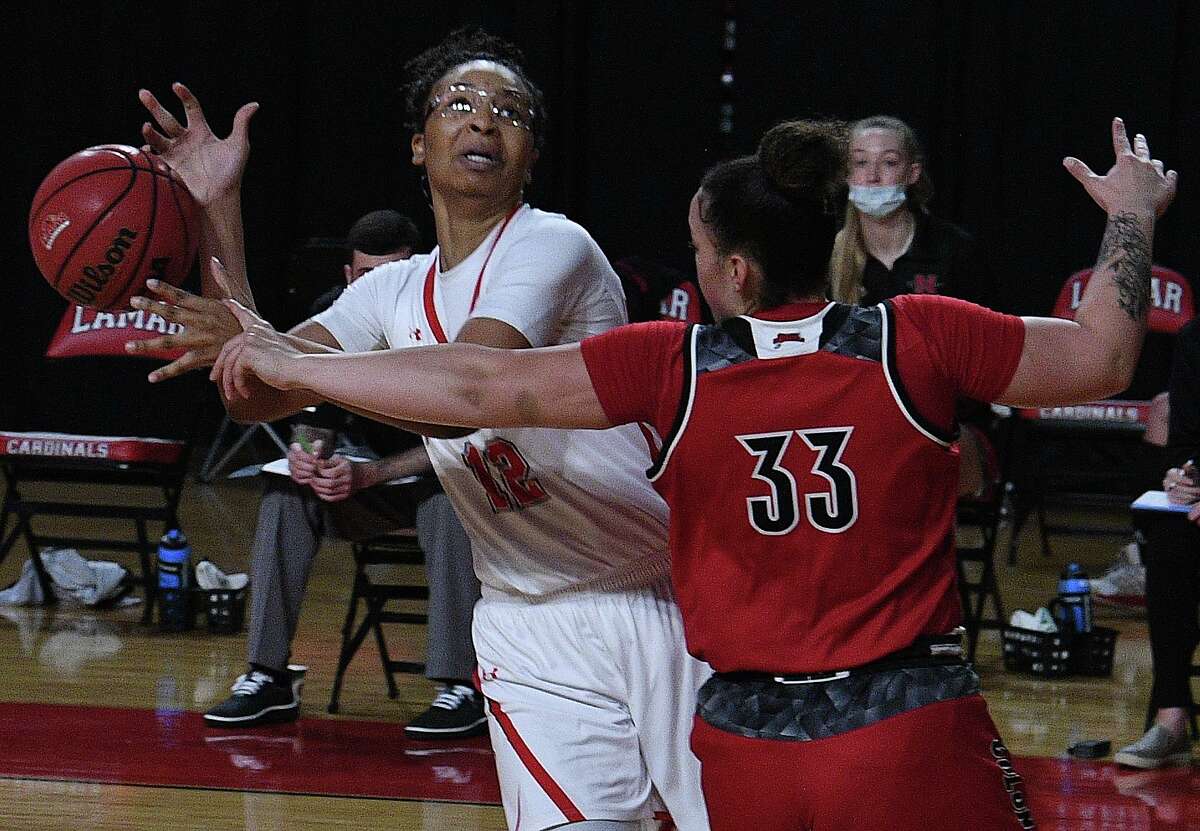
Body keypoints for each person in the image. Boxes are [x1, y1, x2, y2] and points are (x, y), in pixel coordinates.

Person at [216, 117, 1175, 830]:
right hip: (903, 722)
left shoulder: (672, 365)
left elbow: (479, 383)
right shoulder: (917, 338)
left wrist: (293, 362)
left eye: (700, 248)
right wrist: (1131, 213)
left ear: (736, 274)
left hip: (749, 739)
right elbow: (1104, 357)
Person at [132, 29, 709, 831]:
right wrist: (216, 205)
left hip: (657, 595)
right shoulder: (392, 289)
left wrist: (292, 368)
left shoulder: (552, 245)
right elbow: (255, 387)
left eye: (510, 112)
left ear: (531, 155)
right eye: (460, 105)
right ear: (418, 144)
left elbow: (469, 387)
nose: (483, 121)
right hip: (525, 616)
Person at [186, 210, 484, 738]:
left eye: (390, 274)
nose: (377, 287)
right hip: (368, 480)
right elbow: (310, 418)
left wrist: (374, 473)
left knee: (448, 504)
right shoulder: (336, 317)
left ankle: (462, 685)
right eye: (366, 277)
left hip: (439, 474)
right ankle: (267, 676)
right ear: (349, 278)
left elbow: (466, 434)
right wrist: (306, 457)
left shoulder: (455, 318)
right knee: (285, 492)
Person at [1114, 321, 1200, 769]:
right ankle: (1171, 719)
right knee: (1170, 542)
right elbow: (1186, 439)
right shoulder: (1194, 340)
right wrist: (1182, 476)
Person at [828, 114, 996, 308]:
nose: (872, 176)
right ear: (846, 173)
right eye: (861, 162)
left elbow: (992, 332)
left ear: (912, 173)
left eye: (889, 162)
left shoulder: (955, 251)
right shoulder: (827, 257)